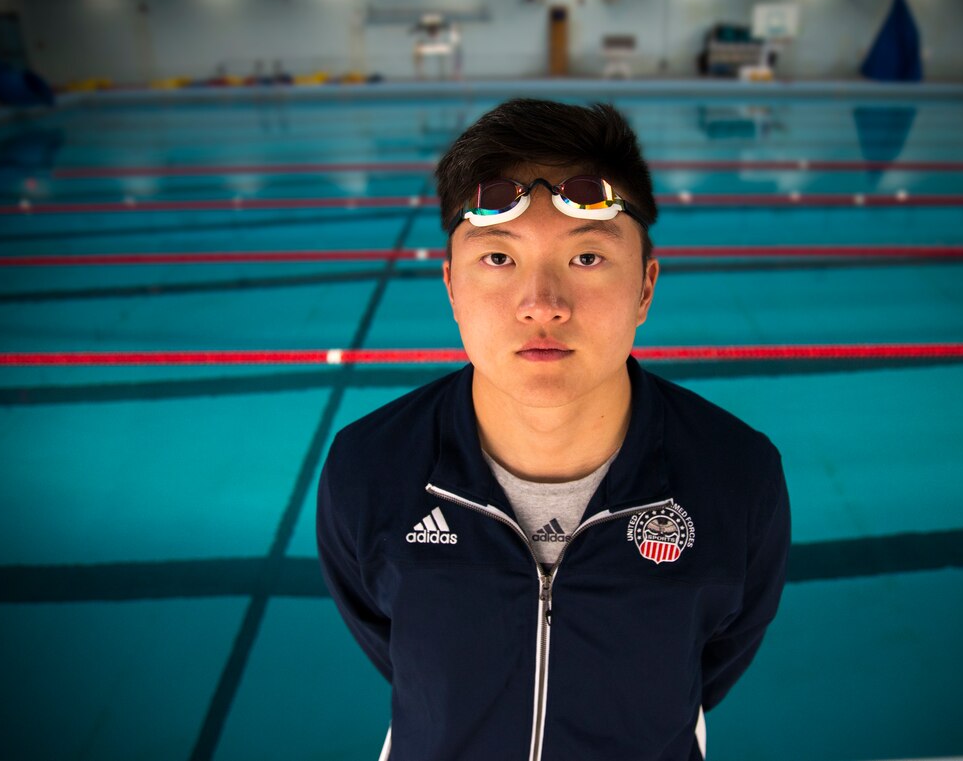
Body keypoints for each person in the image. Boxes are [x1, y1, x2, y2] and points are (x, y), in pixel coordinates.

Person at [317, 98, 790, 761]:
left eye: (588, 257)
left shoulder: (737, 476)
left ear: (646, 287)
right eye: (500, 259)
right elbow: (389, 643)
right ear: (452, 286)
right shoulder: (369, 468)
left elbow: (717, 658)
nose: (543, 302)